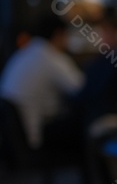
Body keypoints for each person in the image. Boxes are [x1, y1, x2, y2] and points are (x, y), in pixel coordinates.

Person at [0, 12, 85, 150]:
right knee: (89, 124)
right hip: (34, 134)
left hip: (12, 138)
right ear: (58, 34)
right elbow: (81, 88)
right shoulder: (52, 57)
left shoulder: (25, 52)